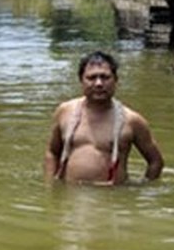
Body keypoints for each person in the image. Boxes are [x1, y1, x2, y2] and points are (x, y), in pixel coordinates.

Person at [44, 51, 163, 185]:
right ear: (81, 80)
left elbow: (155, 162)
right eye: (92, 78)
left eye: (105, 77)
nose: (99, 83)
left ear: (116, 80)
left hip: (113, 197)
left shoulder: (132, 120)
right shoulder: (65, 111)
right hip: (71, 195)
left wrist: (141, 191)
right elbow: (52, 153)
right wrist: (50, 188)